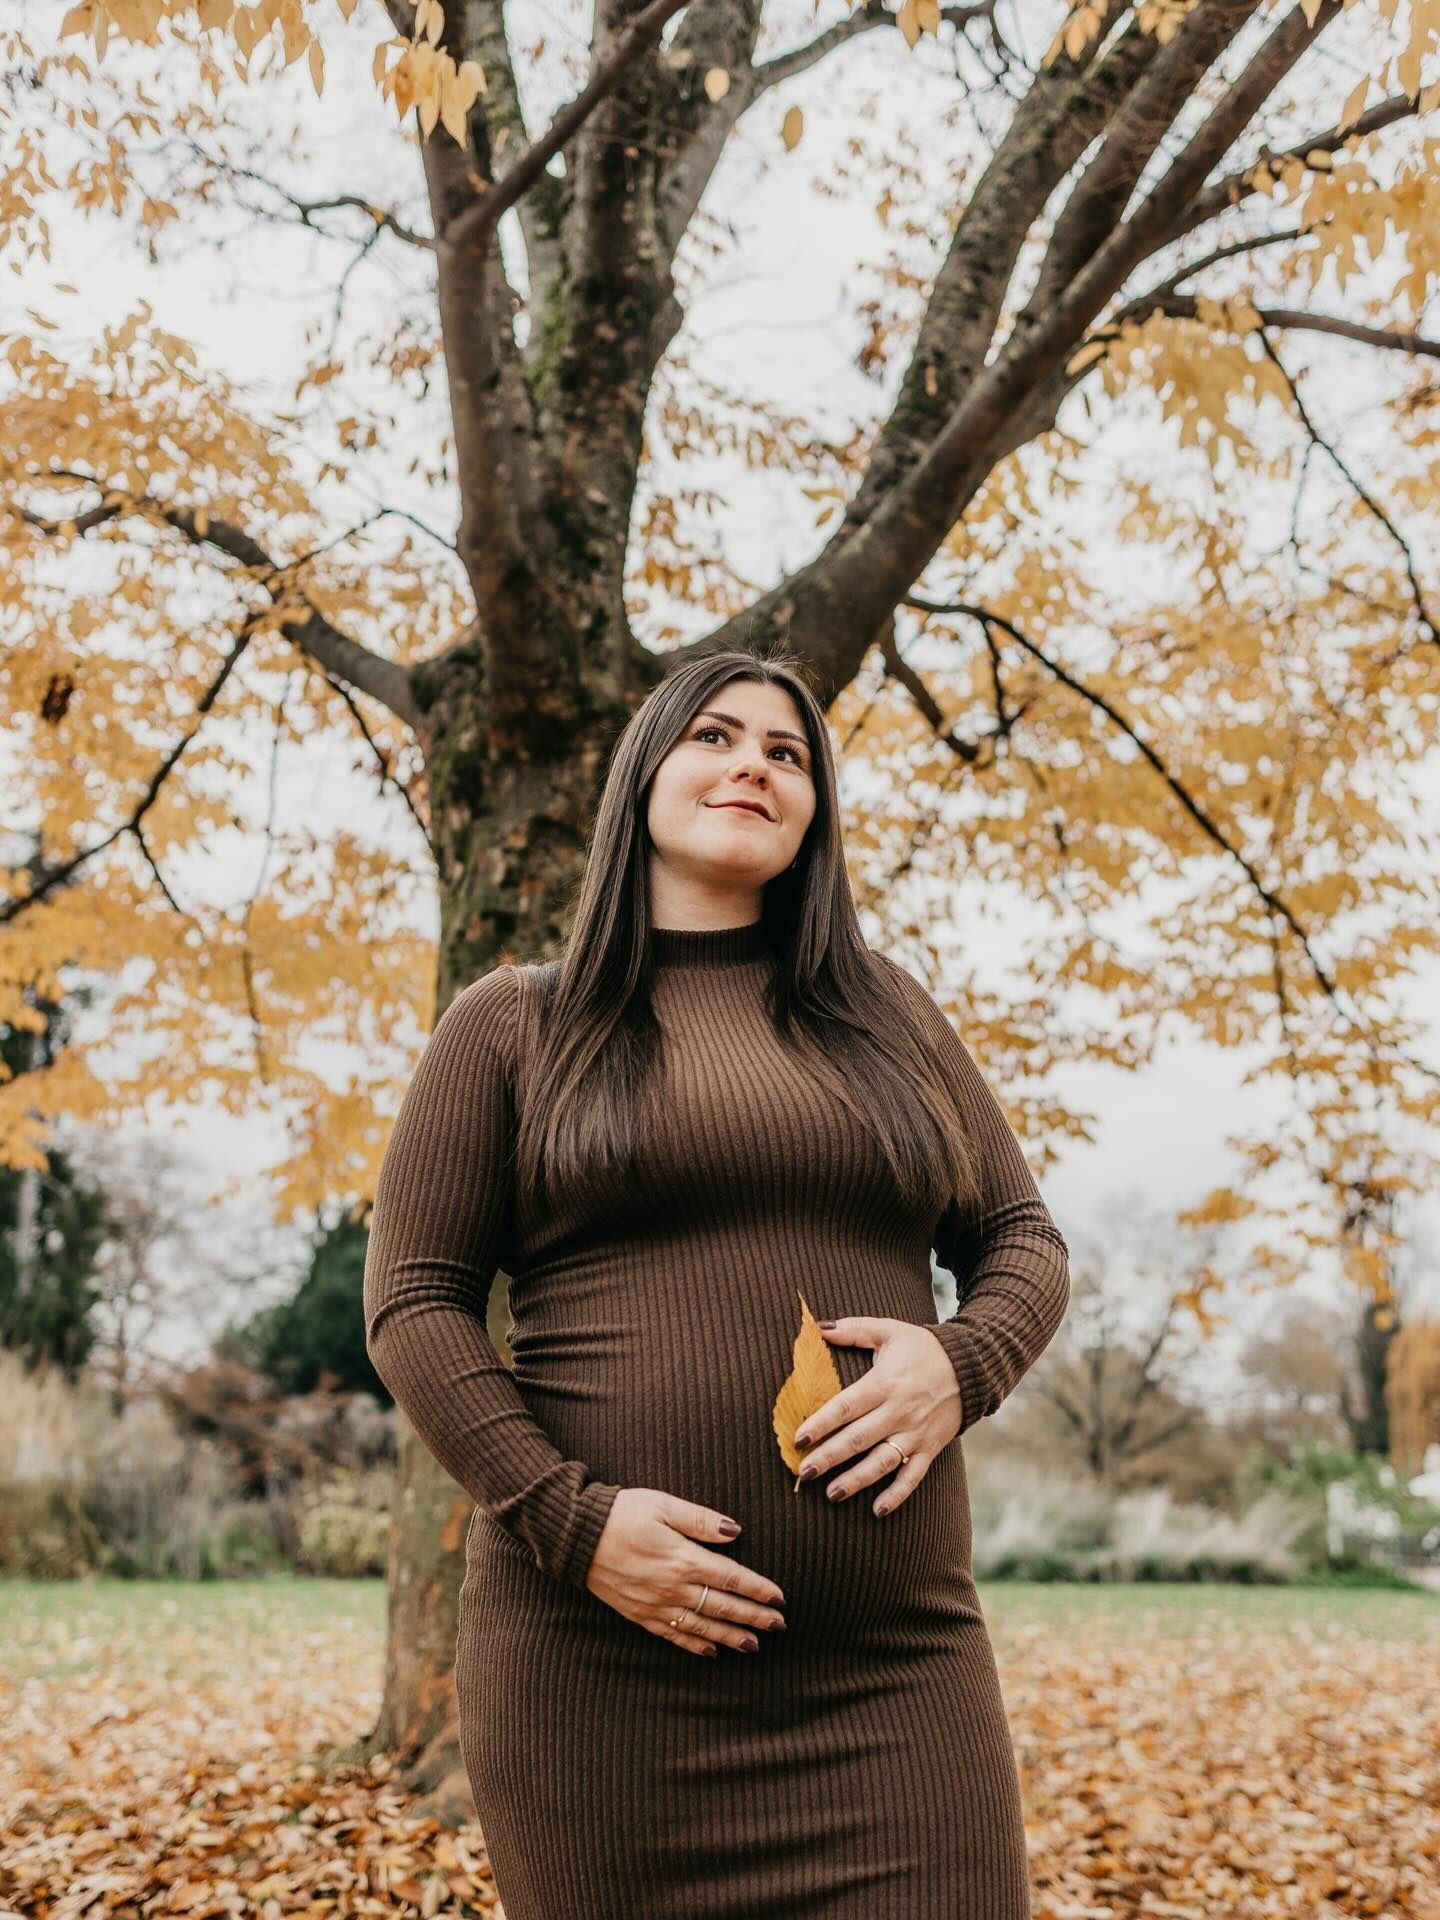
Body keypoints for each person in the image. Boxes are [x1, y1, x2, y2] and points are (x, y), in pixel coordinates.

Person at [362, 645, 1071, 1919]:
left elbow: (1022, 1238)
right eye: (715, 736)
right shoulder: (515, 1026)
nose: (753, 763)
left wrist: (963, 1366)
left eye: (787, 754)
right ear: (645, 777)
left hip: (895, 1673)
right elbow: (413, 1301)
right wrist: (571, 1525)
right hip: (604, 1674)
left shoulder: (886, 1020)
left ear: (814, 815)